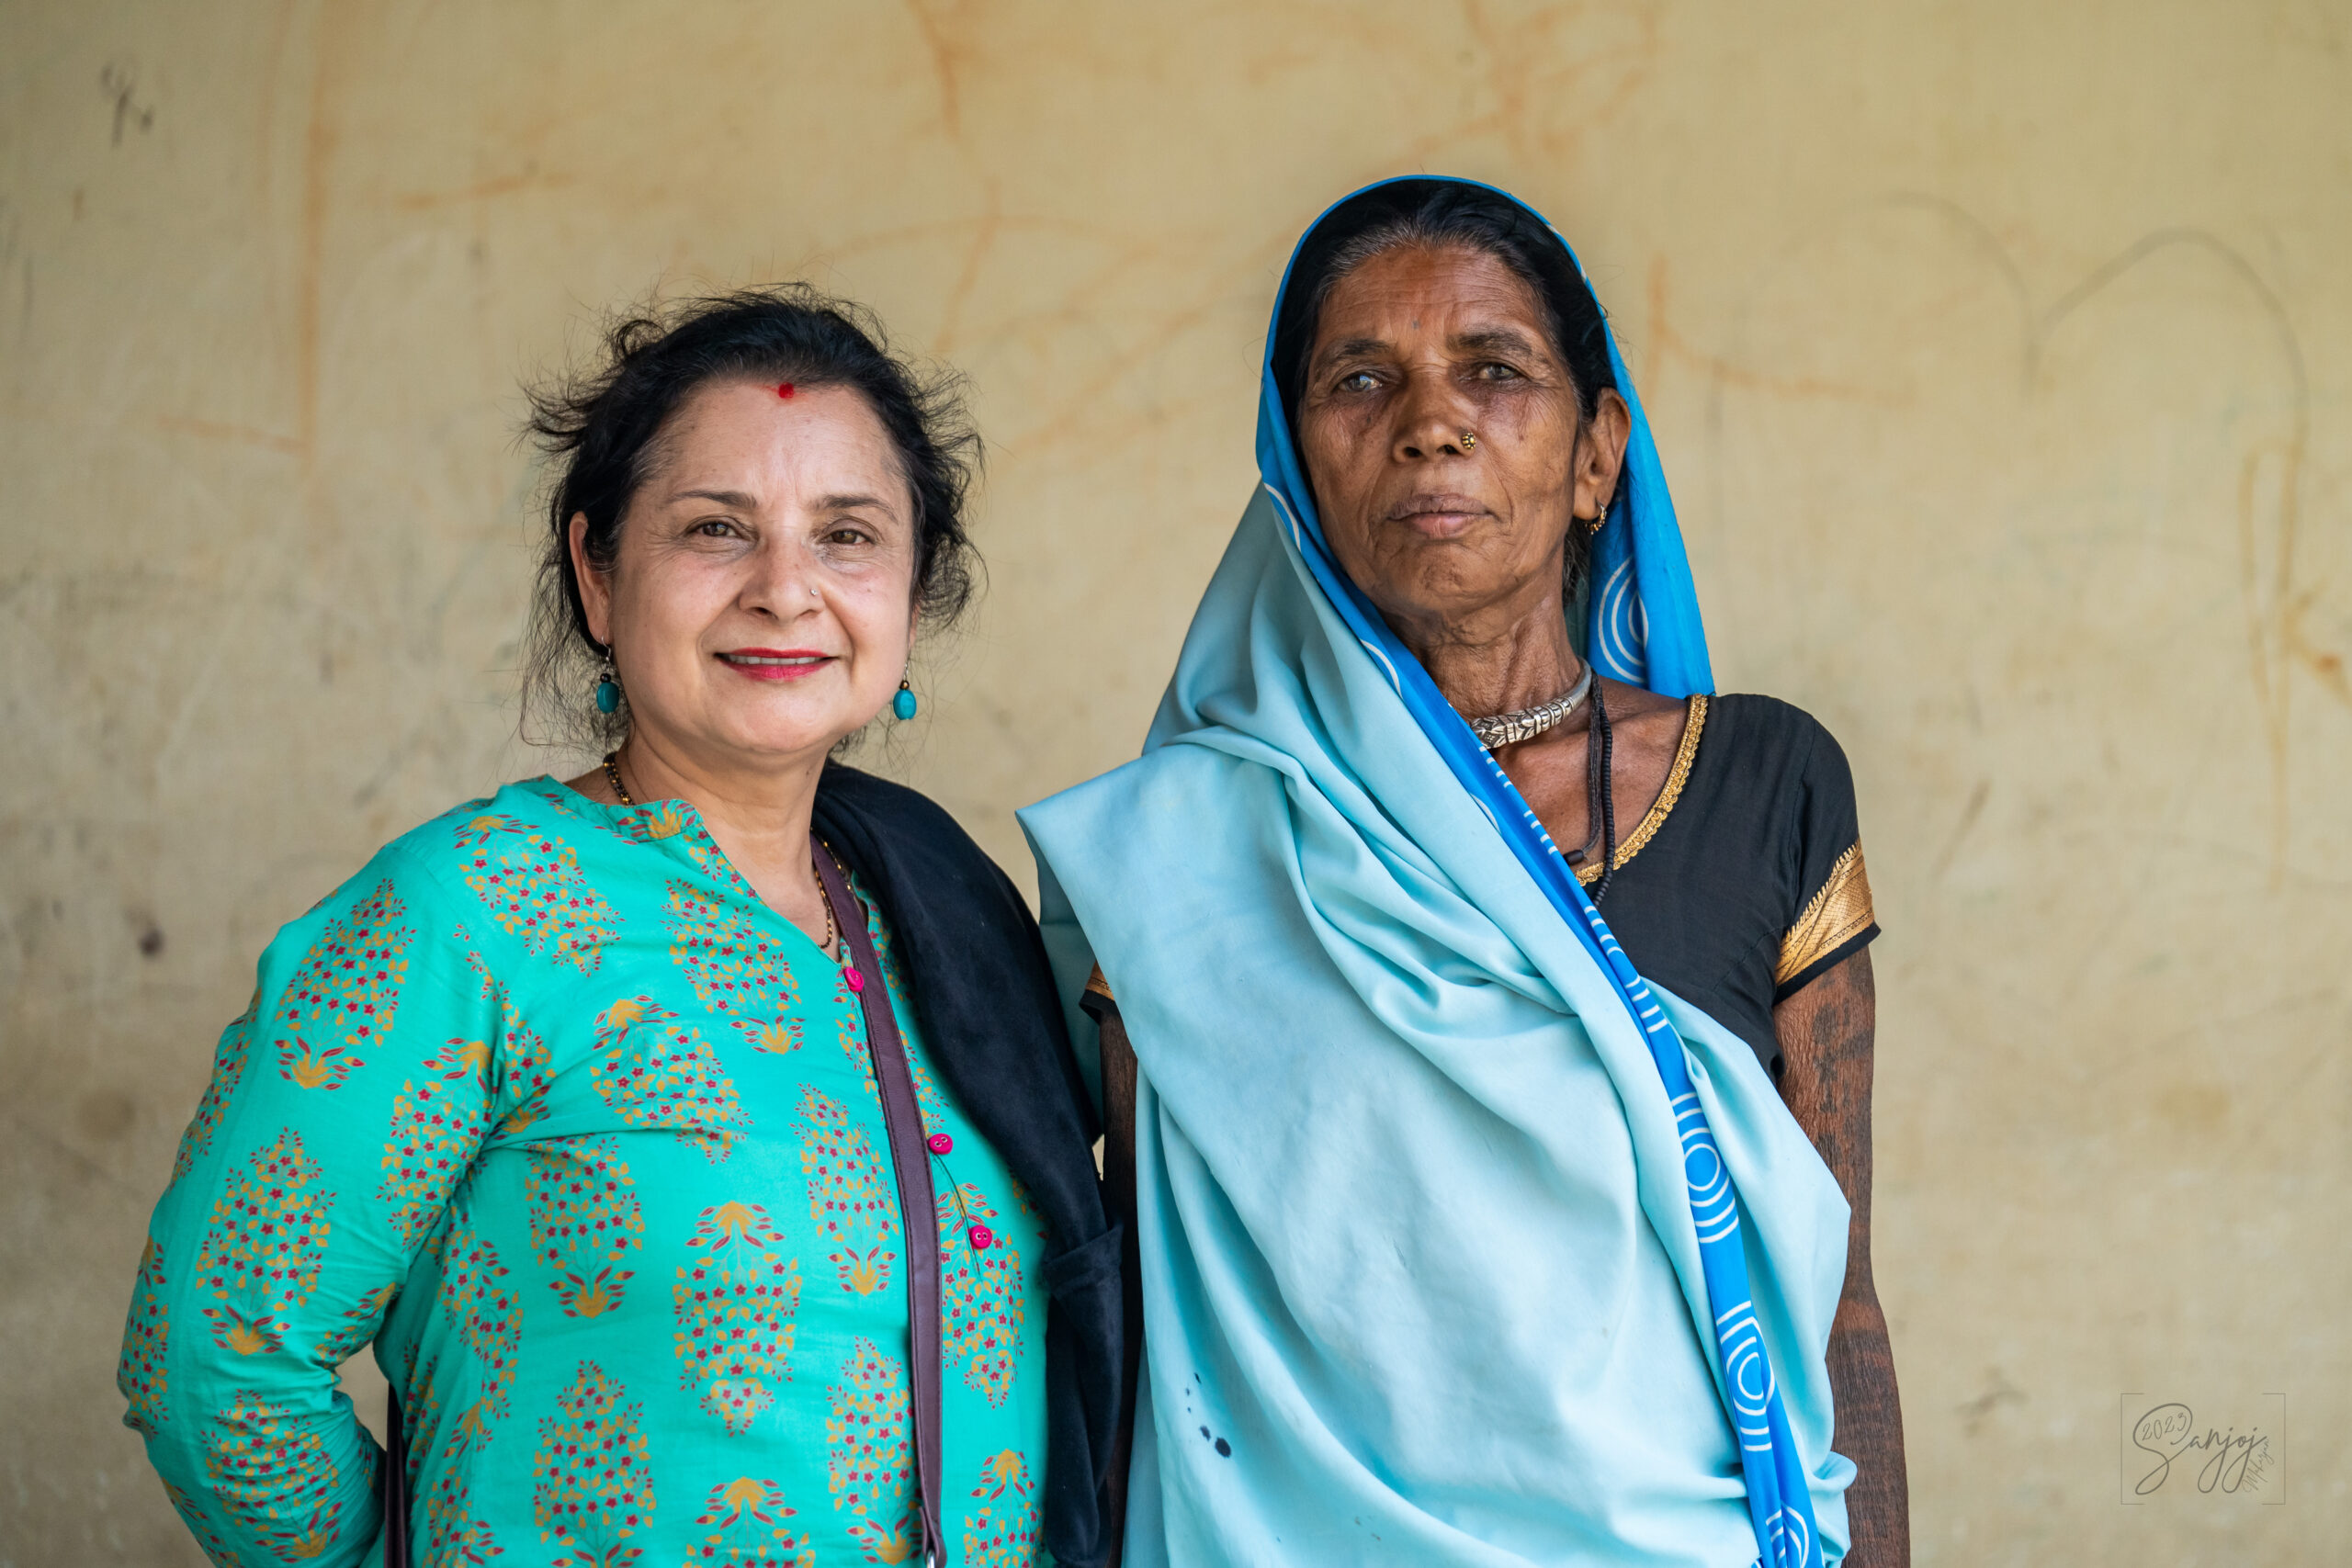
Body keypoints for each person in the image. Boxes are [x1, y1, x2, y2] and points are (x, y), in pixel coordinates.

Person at [119, 289, 1125, 1568]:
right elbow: (214, 1362)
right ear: (599, 574)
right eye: (717, 529)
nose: (785, 591)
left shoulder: (939, 919)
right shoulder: (469, 917)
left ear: (911, 592)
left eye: (847, 536)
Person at [1021, 180, 1907, 1566]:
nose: (1429, 423)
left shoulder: (1765, 788)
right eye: (1360, 381)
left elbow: (1838, 1299)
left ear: (1597, 455)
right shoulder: (1191, 852)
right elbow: (1151, 1307)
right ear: (1299, 464)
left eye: (1494, 373)